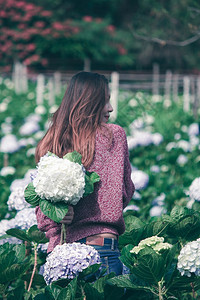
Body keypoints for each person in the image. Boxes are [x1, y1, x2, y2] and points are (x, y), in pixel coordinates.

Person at [35, 71, 135, 276]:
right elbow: (124, 192)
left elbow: (41, 211)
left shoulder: (52, 140)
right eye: (104, 101)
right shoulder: (113, 135)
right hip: (102, 246)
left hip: (61, 252)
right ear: (88, 103)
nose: (110, 108)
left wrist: (61, 214)